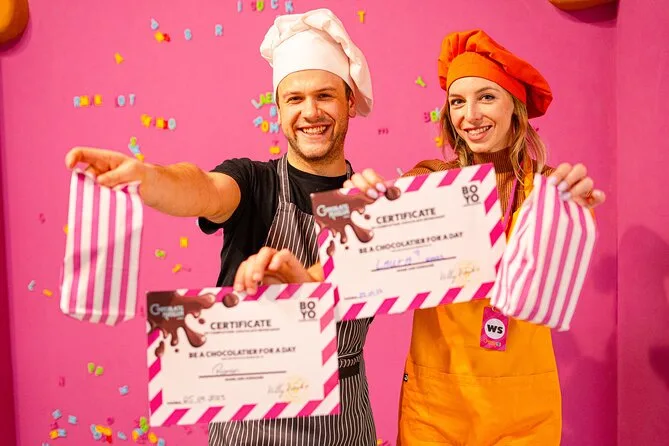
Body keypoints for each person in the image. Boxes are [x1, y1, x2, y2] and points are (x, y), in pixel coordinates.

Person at [232, 29, 606, 445]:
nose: (470, 115)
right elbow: (368, 252)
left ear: (514, 107)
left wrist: (572, 215)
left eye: (486, 97)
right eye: (458, 102)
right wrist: (308, 274)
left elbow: (555, 279)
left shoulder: (548, 190)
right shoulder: (431, 182)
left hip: (524, 407)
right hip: (438, 405)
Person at [64, 8, 378, 446]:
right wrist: (149, 178)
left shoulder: (371, 203)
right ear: (279, 109)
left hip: (343, 420)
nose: (310, 112)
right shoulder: (251, 182)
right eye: (295, 98)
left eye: (324, 95)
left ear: (349, 101)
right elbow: (202, 188)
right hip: (250, 419)